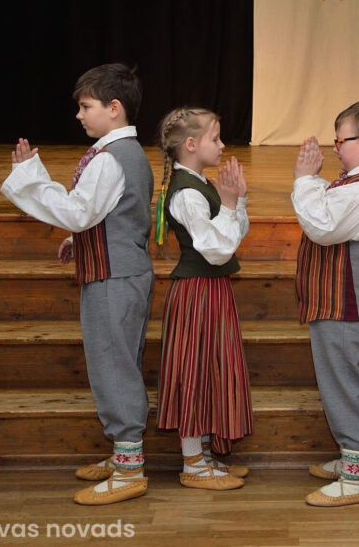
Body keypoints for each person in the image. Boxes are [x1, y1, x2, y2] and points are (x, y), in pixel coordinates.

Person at [1, 63, 153, 506]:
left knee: (113, 367)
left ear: (114, 108)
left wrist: (30, 178)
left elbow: (79, 211)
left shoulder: (110, 158)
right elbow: (114, 214)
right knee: (117, 362)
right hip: (120, 270)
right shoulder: (126, 152)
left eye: (86, 107)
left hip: (114, 277)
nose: (79, 115)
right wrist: (80, 240)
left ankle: (129, 470)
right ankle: (124, 454)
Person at [293, 101, 359, 507]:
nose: (336, 148)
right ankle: (354, 456)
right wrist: (312, 181)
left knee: (349, 388)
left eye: (341, 140)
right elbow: (330, 207)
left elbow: (322, 225)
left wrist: (304, 179)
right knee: (344, 383)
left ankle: (358, 478)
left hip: (348, 305)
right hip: (344, 303)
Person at [154, 107, 252, 491]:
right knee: (193, 372)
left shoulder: (199, 183)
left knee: (211, 368)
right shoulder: (186, 193)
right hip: (196, 292)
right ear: (192, 145)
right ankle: (192, 463)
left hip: (211, 290)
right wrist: (228, 206)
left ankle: (205, 454)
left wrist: (236, 202)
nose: (223, 145)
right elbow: (215, 250)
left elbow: (230, 239)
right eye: (216, 138)